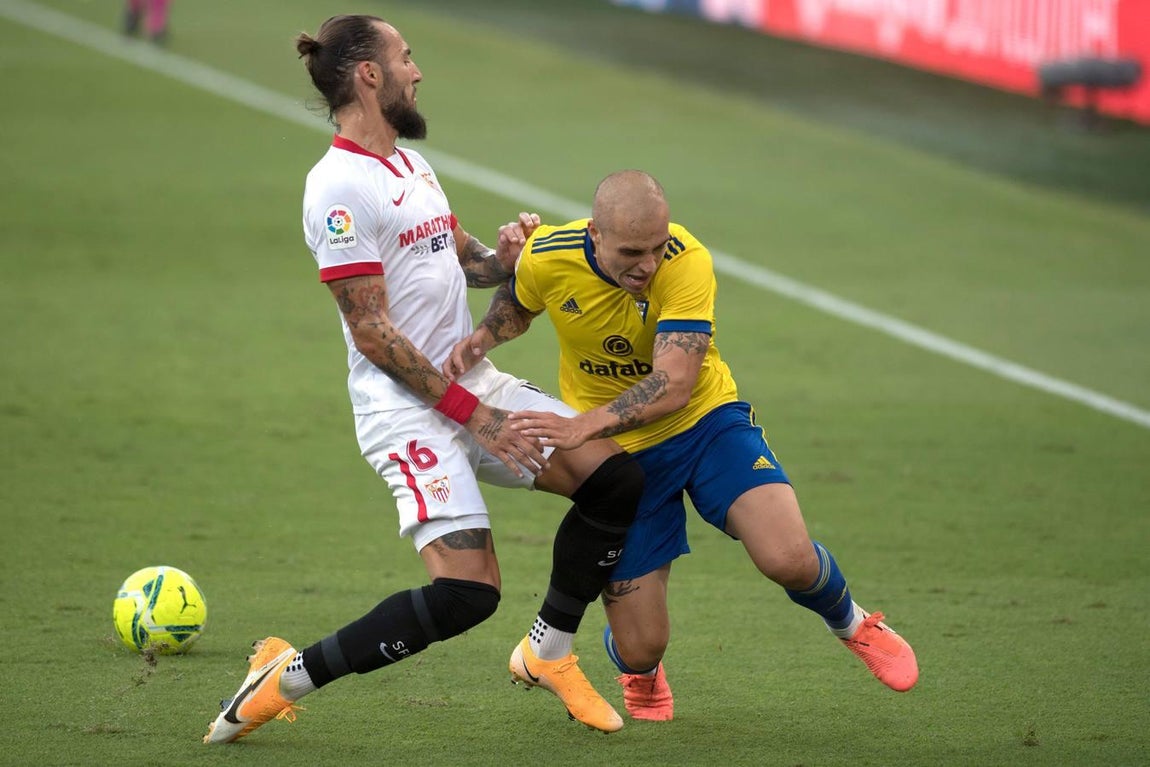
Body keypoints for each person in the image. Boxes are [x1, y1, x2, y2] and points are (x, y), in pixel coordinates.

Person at [202, 16, 644, 744]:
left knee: (616, 481)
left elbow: (465, 261)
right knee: (469, 594)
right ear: (369, 75)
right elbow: (373, 332)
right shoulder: (337, 188)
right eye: (406, 58)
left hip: (473, 389)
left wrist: (508, 256)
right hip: (408, 413)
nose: (417, 70)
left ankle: (550, 650)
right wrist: (476, 416)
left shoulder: (411, 167)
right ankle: (284, 679)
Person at [445, 170, 919, 722]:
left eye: (655, 247)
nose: (647, 264)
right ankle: (640, 672)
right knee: (643, 646)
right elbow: (521, 298)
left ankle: (855, 623)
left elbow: (675, 383)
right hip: (625, 457)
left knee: (787, 557)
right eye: (631, 251)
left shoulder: (686, 260)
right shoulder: (549, 253)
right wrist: (483, 339)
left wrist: (584, 425)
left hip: (705, 425)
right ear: (595, 234)